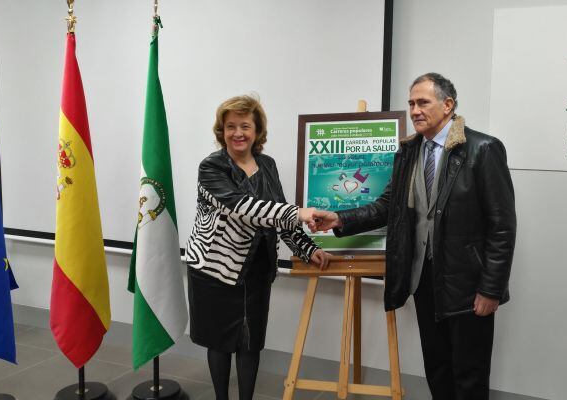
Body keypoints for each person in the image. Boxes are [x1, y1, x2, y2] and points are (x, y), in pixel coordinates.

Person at [310, 73, 516, 399]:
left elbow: (502, 227)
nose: (415, 110)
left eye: (423, 102)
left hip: (467, 286)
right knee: (437, 370)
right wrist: (339, 218)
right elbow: (385, 207)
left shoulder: (483, 149)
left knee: (469, 375)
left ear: (448, 105)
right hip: (424, 281)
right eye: (411, 103)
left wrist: (490, 288)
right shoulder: (409, 152)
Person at [185, 95, 331, 400]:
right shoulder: (211, 167)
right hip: (216, 269)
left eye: (245, 126)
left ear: (257, 130)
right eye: (231, 126)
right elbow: (245, 207)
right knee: (221, 341)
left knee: (251, 343)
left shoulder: (267, 164)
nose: (238, 133)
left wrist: (307, 248)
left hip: (257, 269)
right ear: (221, 130)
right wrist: (300, 212)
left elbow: (275, 211)